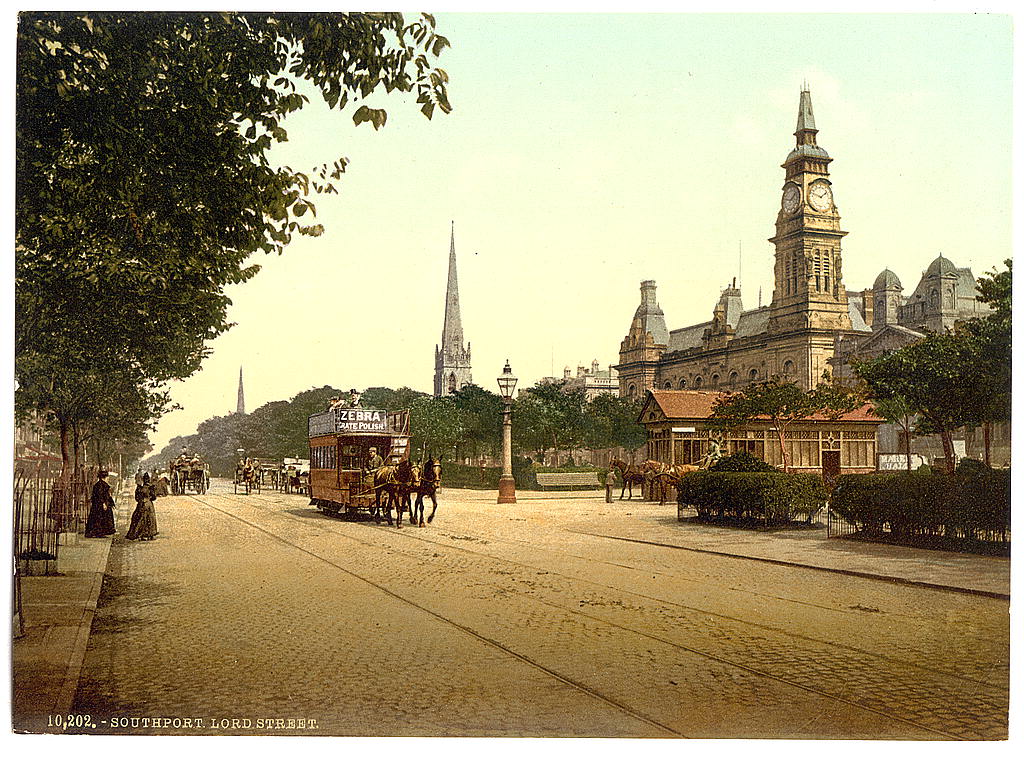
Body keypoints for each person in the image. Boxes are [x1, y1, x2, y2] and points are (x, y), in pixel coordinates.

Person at [126, 472, 159, 541]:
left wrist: (141, 500)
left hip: (141, 505)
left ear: (143, 480)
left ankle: (139, 534)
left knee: (138, 518)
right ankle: (149, 534)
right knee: (150, 519)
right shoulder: (151, 488)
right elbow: (154, 497)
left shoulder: (139, 488)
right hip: (149, 504)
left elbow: (136, 498)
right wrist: (149, 499)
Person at [85, 470, 117, 537]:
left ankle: (101, 532)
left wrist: (111, 503)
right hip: (100, 505)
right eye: (107, 477)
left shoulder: (102, 484)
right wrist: (103, 503)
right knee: (100, 519)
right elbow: (100, 496)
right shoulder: (100, 485)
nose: (108, 478)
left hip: (100, 505)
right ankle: (99, 533)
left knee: (102, 518)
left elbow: (108, 495)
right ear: (104, 477)